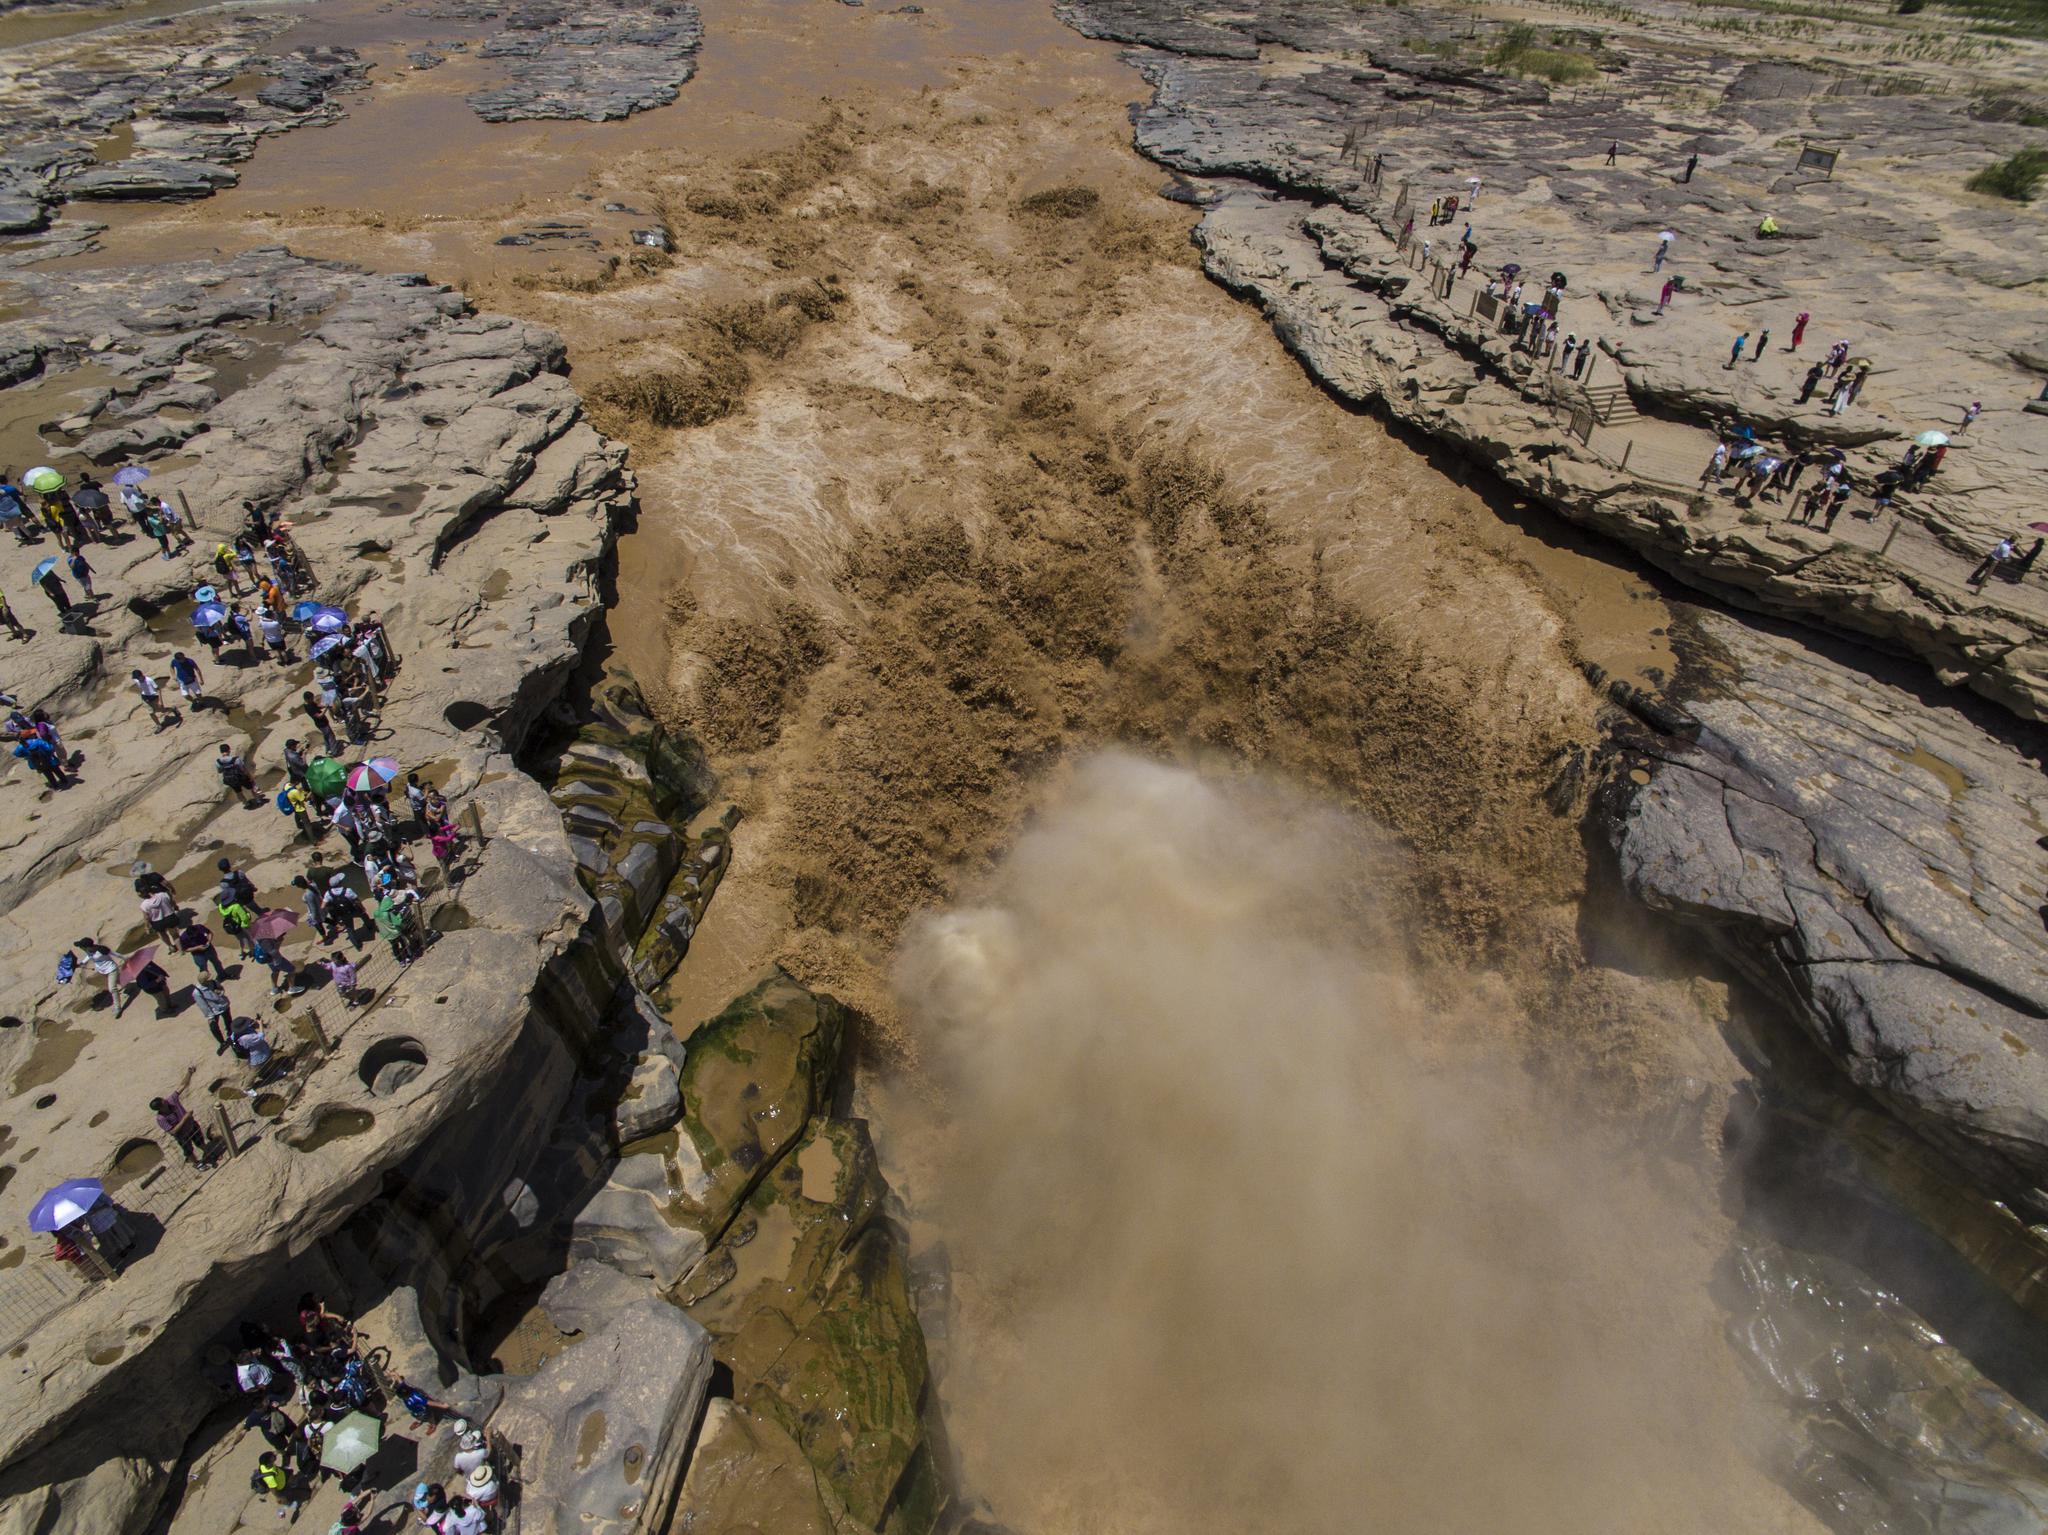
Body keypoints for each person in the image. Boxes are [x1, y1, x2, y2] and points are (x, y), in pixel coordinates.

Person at [152, 1085, 211, 1166]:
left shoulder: (172, 1100)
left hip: (192, 1126)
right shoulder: (161, 1119)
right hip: (182, 1136)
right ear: (161, 1107)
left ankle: (210, 1154)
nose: (166, 1100)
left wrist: (189, 1073)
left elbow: (182, 1086)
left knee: (200, 1143)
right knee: (188, 1151)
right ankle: (196, 1164)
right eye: (163, 1101)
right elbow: (173, 1131)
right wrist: (185, 1118)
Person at [252, 1451, 301, 1522]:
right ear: (268, 1463)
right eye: (272, 1457)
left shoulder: (264, 1465)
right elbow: (274, 1490)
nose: (274, 1456)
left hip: (282, 1475)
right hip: (282, 1487)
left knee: (290, 1472)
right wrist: (279, 1497)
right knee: (285, 1497)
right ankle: (287, 1504)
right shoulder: (270, 1478)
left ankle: (291, 1485)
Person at [192, 977, 234, 1051]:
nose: (210, 980)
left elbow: (221, 988)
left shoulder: (213, 982)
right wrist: (210, 1016)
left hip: (223, 1005)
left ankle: (231, 1034)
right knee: (213, 1028)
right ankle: (222, 1043)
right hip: (213, 1011)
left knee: (228, 1020)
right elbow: (203, 1005)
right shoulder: (197, 992)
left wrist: (220, 992)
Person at [216, 743, 262, 809]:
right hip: (241, 778)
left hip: (230, 779)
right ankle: (258, 800)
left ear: (221, 752)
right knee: (251, 787)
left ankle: (246, 803)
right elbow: (243, 769)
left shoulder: (218, 762)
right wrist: (250, 777)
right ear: (229, 750)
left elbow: (220, 771)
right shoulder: (235, 759)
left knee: (238, 792)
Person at [303, 691, 341, 756]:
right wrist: (326, 708)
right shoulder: (309, 708)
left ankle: (328, 750)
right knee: (331, 737)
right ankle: (334, 752)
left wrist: (325, 705)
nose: (313, 699)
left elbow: (317, 706)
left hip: (322, 723)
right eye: (311, 698)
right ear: (307, 699)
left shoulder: (310, 703)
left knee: (326, 737)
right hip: (322, 724)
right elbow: (319, 716)